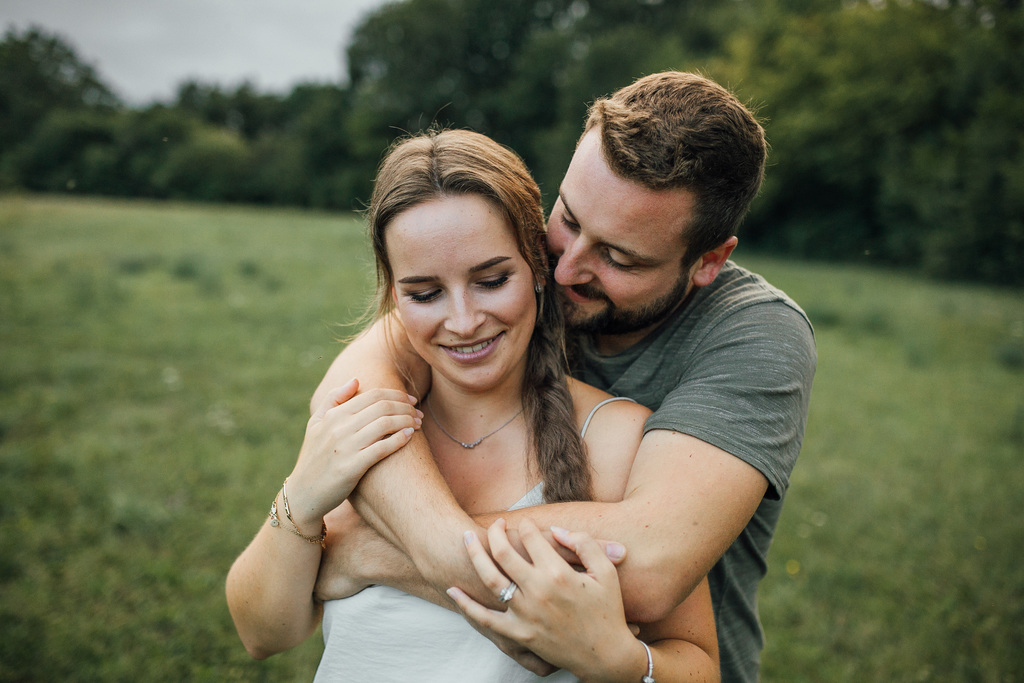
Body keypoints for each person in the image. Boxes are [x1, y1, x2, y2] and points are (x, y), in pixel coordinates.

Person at [310, 71, 817, 682]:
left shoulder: (755, 334)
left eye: (618, 257)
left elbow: (648, 564)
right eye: (570, 220)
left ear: (708, 261)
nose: (566, 269)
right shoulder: (512, 278)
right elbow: (354, 395)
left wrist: (374, 552)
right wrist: (439, 549)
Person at [226, 128, 720, 681]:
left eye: (491, 280)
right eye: (425, 293)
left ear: (539, 268)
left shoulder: (614, 437)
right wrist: (300, 498)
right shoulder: (369, 420)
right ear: (393, 294)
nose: (463, 322)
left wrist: (620, 661)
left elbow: (697, 663)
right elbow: (263, 634)